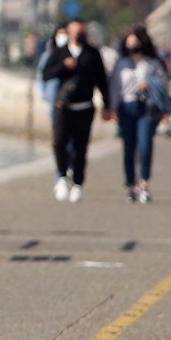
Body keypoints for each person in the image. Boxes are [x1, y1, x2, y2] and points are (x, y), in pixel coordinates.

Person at [42, 17, 110, 203]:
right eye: (74, 30)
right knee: (59, 143)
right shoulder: (59, 52)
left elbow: (102, 80)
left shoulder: (92, 54)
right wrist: (64, 66)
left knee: (80, 148)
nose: (78, 34)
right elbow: (46, 74)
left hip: (85, 107)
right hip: (63, 107)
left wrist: (107, 105)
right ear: (68, 32)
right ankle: (62, 178)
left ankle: (78, 183)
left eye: (81, 30)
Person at [107, 27, 167, 202]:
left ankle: (144, 183)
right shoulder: (121, 64)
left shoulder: (151, 63)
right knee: (129, 147)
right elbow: (114, 87)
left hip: (146, 107)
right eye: (129, 43)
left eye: (136, 43)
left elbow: (163, 82)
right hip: (126, 107)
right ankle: (130, 184)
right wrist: (112, 108)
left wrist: (149, 83)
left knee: (145, 144)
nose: (133, 46)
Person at [35, 24, 71, 184]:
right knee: (59, 139)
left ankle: (69, 167)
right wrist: (44, 94)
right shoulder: (49, 55)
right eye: (60, 34)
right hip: (53, 103)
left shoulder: (74, 56)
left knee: (70, 140)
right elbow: (42, 75)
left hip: (71, 102)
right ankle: (61, 174)